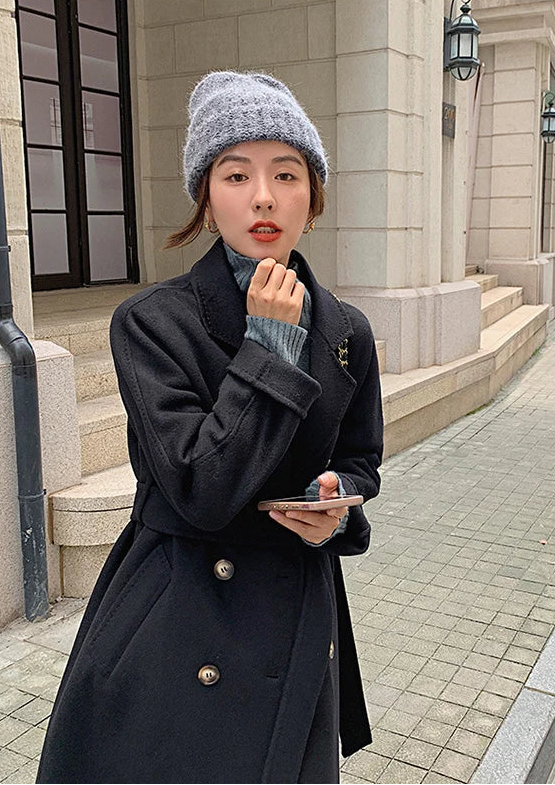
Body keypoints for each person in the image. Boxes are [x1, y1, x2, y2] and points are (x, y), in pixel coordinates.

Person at [36, 71, 383, 784]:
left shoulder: (347, 329)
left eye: (286, 173)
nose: (263, 196)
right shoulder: (152, 322)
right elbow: (200, 486)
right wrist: (270, 346)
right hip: (182, 610)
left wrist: (332, 507)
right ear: (206, 194)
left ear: (312, 195)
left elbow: (360, 462)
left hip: (297, 609)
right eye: (236, 174)